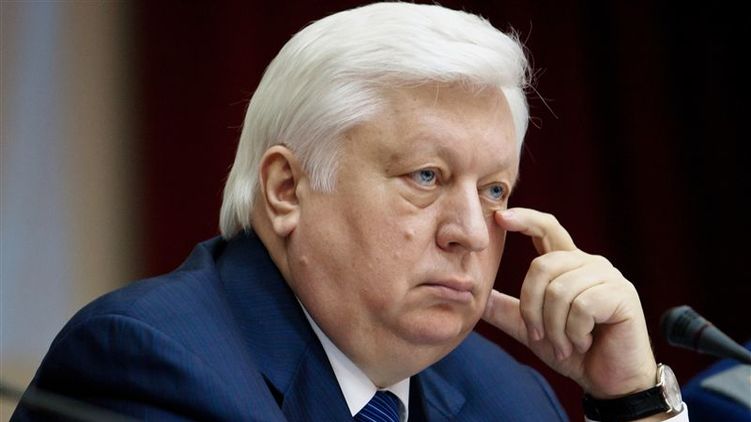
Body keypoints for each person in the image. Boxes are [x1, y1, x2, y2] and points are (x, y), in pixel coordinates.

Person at [12, 2, 689, 421]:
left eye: (493, 191)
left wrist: (630, 400)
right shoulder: (149, 362)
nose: (469, 234)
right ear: (287, 189)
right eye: (426, 176)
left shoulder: (504, 396)